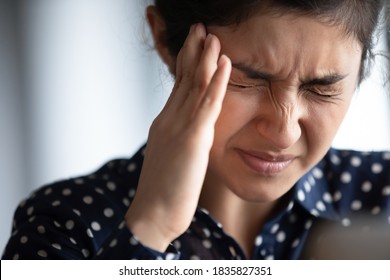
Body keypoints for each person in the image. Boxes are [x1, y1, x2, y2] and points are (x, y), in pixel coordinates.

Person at [2, 0, 390, 260]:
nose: (284, 132)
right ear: (165, 40)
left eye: (322, 88)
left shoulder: (382, 196)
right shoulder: (63, 223)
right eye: (247, 80)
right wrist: (150, 225)